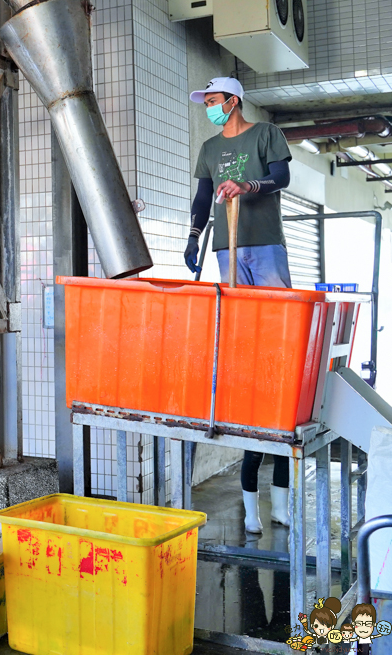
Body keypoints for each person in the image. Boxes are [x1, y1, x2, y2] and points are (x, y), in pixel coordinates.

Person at [185, 76, 293, 534]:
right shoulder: (210, 148)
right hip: (226, 249)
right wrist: (193, 237)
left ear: (233, 101)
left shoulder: (266, 133)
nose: (209, 107)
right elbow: (203, 196)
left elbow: (282, 178)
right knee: (238, 329)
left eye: (213, 101)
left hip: (264, 242)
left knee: (274, 324)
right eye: (206, 102)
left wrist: (249, 185)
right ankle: (245, 384)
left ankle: (280, 385)